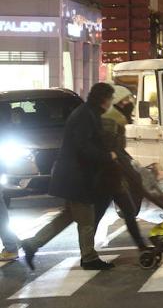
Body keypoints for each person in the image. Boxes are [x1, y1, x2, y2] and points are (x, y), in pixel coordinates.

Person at [21, 83, 117, 270]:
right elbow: (84, 147)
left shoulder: (88, 112)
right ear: (104, 99)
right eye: (111, 98)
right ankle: (88, 257)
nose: (112, 102)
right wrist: (107, 156)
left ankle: (32, 244)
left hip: (72, 175)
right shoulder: (85, 115)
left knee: (68, 216)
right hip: (76, 177)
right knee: (87, 218)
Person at [94, 85, 147, 251]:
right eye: (125, 101)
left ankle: (141, 245)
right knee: (97, 214)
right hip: (106, 177)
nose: (129, 104)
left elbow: (119, 151)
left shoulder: (117, 121)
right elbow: (113, 151)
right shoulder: (110, 122)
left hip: (112, 176)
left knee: (127, 211)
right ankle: (87, 251)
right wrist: (131, 170)